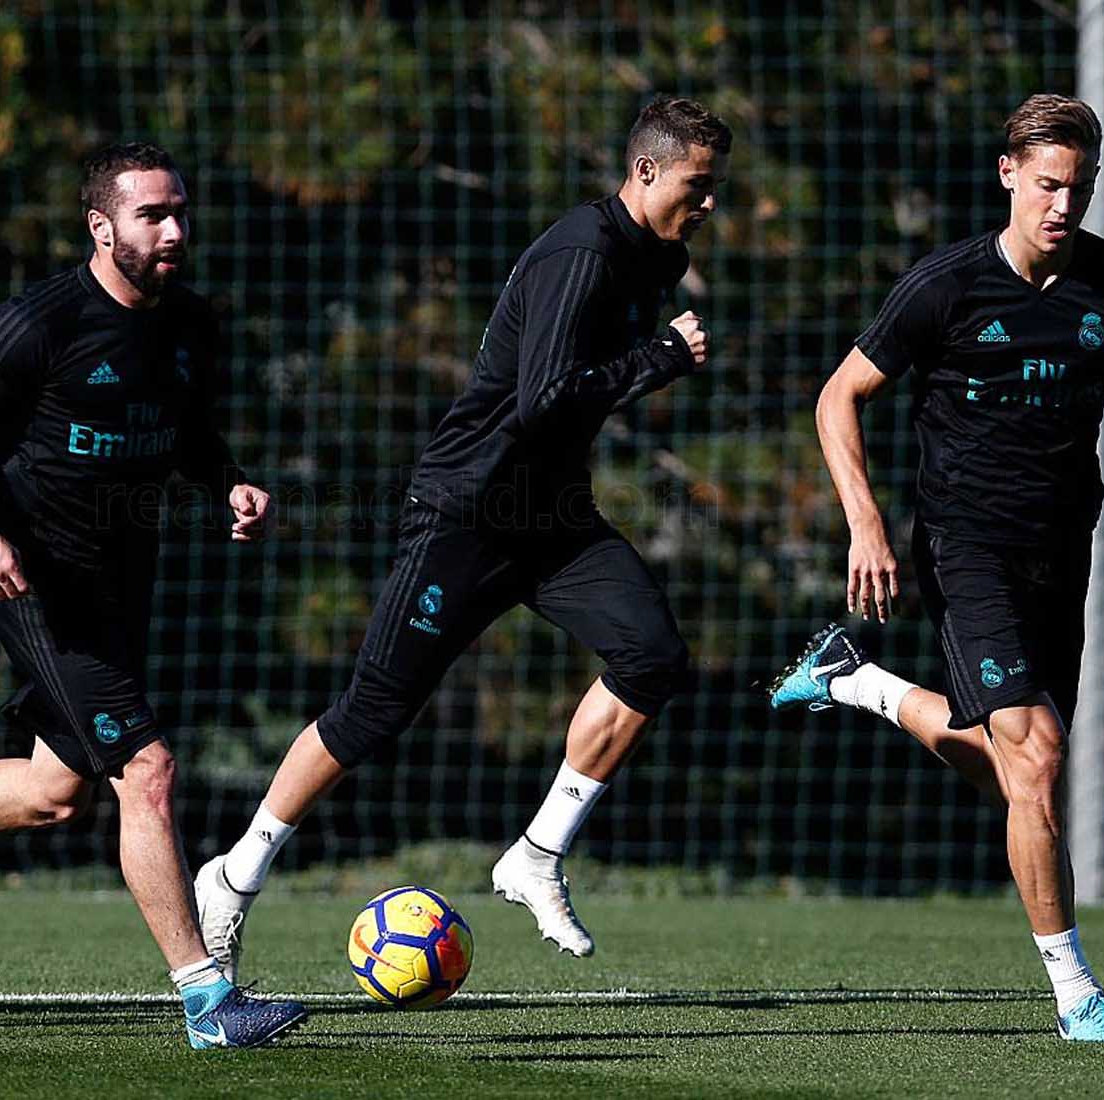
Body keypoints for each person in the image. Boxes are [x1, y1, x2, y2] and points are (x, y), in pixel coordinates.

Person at [191, 97, 729, 980]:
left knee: (653, 656)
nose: (707, 204)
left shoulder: (659, 256)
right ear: (644, 172)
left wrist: (645, 363)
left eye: (714, 189)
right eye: (696, 186)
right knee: (373, 711)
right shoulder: (584, 254)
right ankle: (234, 876)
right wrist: (659, 360)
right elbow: (544, 400)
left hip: (553, 519)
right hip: (468, 513)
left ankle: (537, 856)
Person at [0, 143, 306, 1050]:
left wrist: (229, 484)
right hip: (39, 584)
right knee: (148, 772)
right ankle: (207, 1001)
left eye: (180, 212)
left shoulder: (190, 323)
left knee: (58, 793)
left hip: (123, 586)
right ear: (101, 227)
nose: (174, 231)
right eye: (151, 215)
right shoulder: (37, 323)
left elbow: (186, 430)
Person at [768, 93, 1104, 1042]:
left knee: (1019, 777)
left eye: (1079, 187)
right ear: (1008, 174)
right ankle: (1077, 994)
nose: (1062, 205)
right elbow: (839, 397)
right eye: (1046, 184)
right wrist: (866, 525)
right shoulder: (947, 286)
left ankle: (859, 683)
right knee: (1037, 758)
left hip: (1064, 550)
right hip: (962, 550)